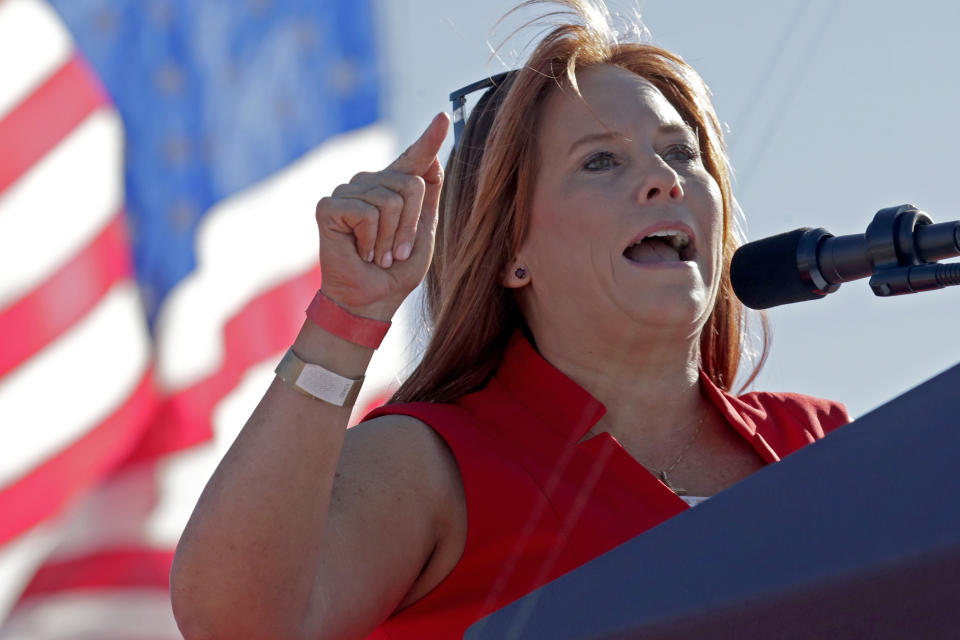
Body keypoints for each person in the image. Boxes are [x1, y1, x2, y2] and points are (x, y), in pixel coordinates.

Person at [170, 1, 850, 638]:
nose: (663, 179)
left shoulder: (822, 443)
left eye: (680, 153)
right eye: (602, 161)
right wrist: (346, 318)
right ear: (511, 251)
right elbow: (238, 623)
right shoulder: (432, 463)